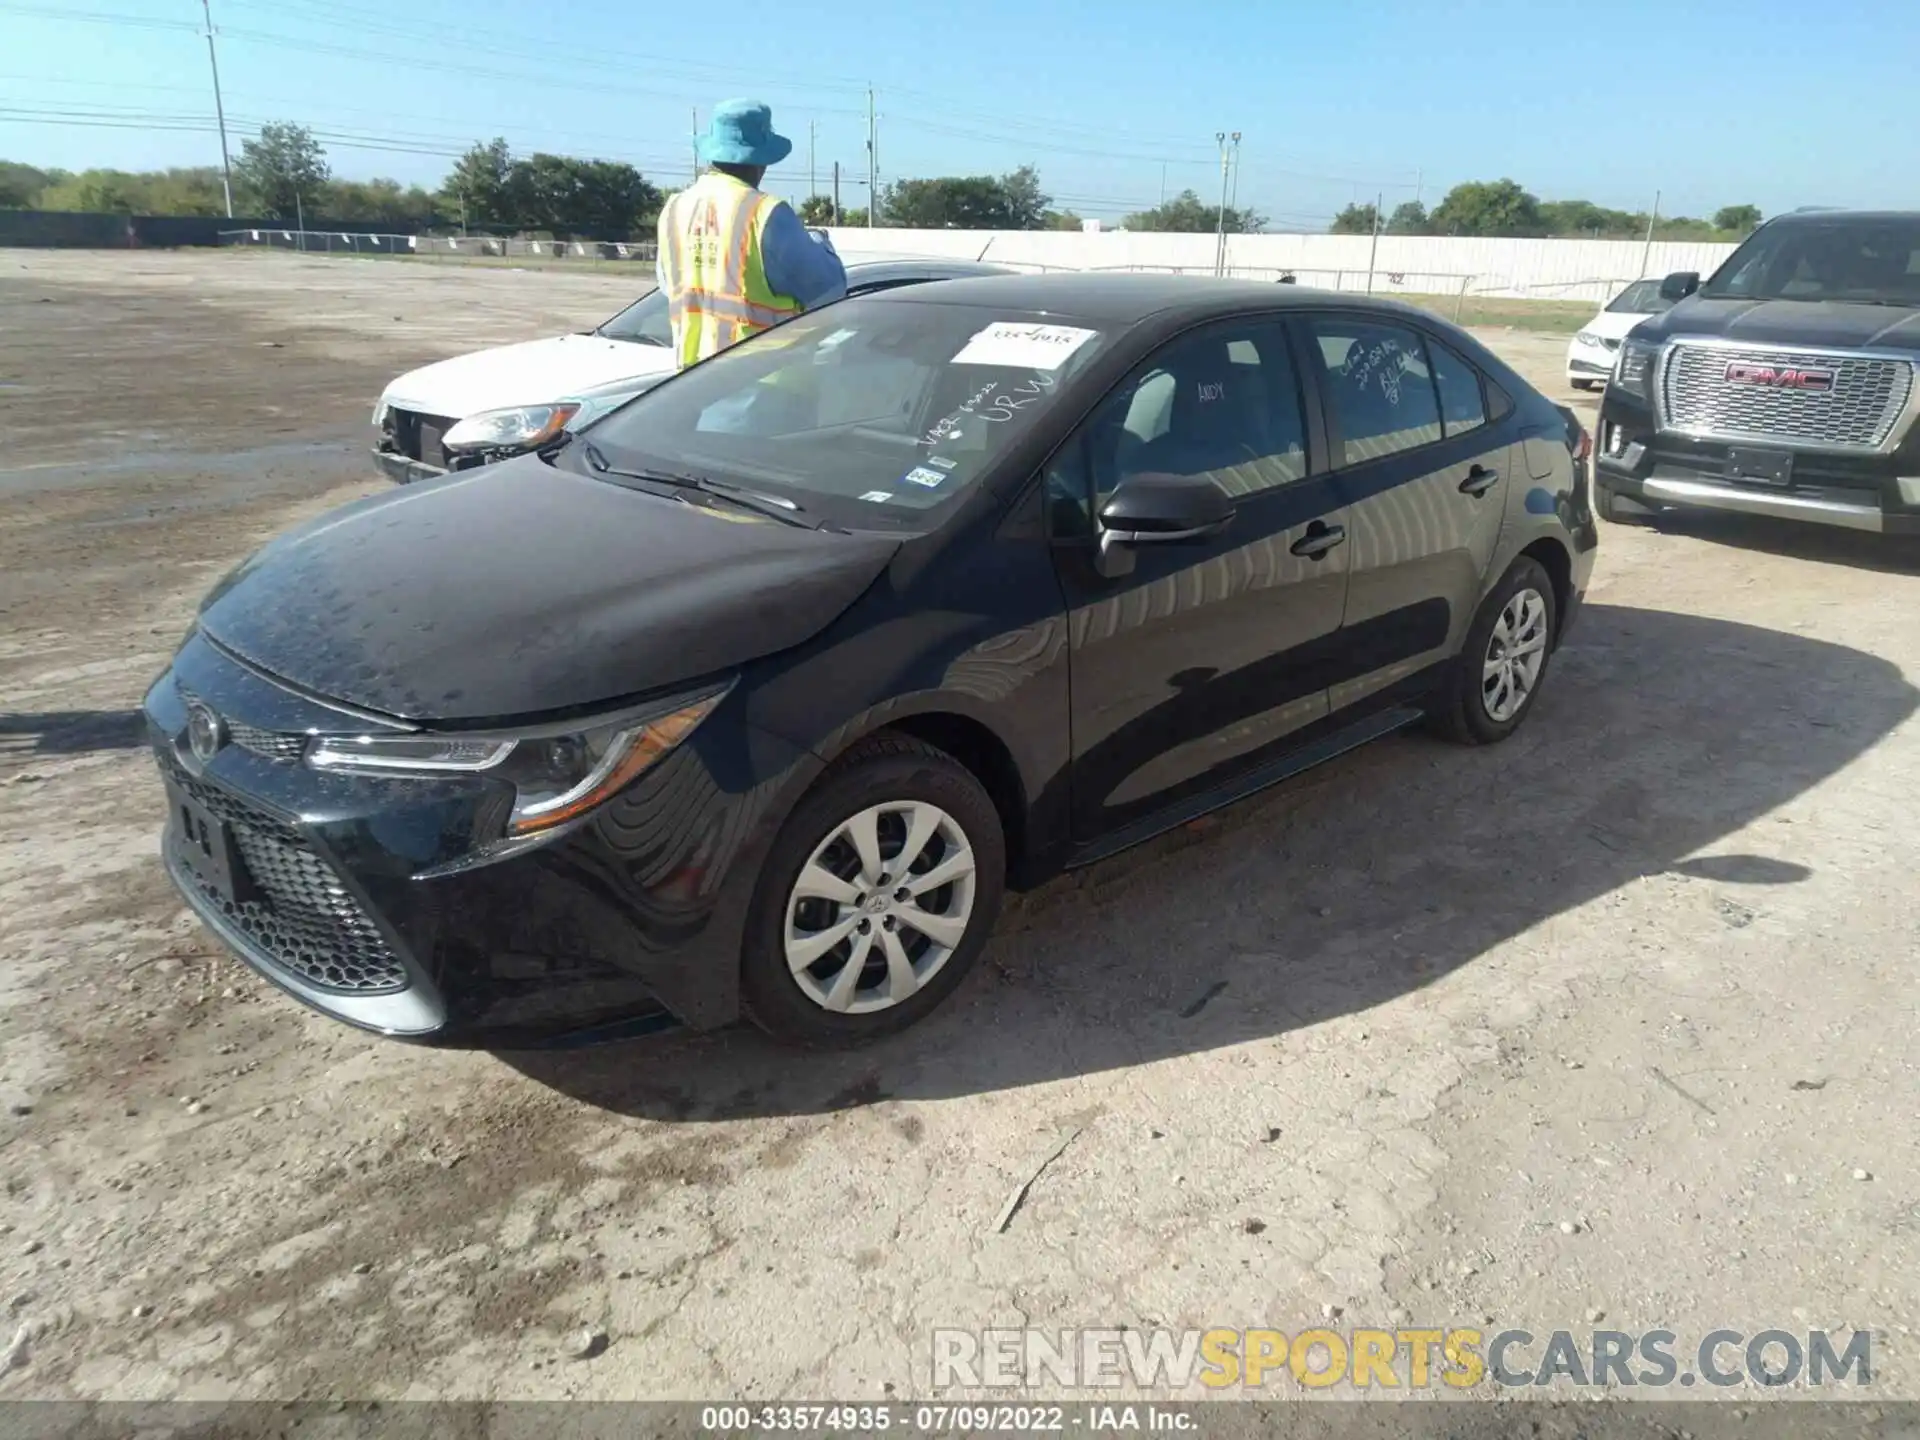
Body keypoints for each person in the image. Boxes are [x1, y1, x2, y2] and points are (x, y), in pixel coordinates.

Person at [656, 99, 847, 371]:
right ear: (762, 161)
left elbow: (668, 285)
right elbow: (829, 288)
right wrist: (819, 242)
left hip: (691, 383)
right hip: (762, 382)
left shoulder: (674, 209)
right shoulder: (765, 212)